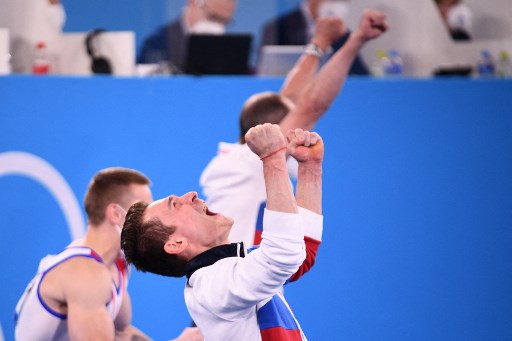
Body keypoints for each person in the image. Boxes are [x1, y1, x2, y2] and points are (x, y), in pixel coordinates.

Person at [200, 9, 388, 247]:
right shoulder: (250, 161)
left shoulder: (243, 157)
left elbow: (290, 99)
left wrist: (320, 43)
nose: (296, 129)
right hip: (233, 273)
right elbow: (312, 106)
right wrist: (357, 39)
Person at [121, 123, 324, 339]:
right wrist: (272, 158)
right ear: (176, 244)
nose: (189, 195)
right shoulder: (211, 287)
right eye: (175, 204)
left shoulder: (230, 271)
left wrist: (310, 169)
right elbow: (284, 254)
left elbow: (301, 253)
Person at [14, 167, 202, 341]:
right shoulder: (85, 274)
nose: (151, 219)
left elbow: (122, 333)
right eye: (141, 210)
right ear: (116, 214)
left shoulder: (116, 265)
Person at [260, 0, 369, 75]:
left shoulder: (342, 33)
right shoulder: (279, 27)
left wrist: (359, 38)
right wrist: (321, 41)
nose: (335, 3)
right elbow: (266, 70)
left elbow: (361, 74)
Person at [137, 0, 237, 70]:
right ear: (193, 2)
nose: (218, 25)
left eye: (224, 21)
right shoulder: (157, 42)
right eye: (213, 16)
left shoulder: (230, 50)